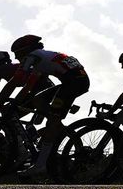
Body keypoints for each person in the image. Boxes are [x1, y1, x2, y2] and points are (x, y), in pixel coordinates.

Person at [9, 34, 90, 180]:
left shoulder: (33, 56)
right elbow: (28, 87)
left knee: (52, 121)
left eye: (17, 54)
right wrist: (15, 102)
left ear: (25, 51)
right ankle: (54, 123)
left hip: (74, 81)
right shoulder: (42, 59)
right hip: (73, 79)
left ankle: (40, 165)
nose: (15, 58)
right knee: (38, 98)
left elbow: (16, 80)